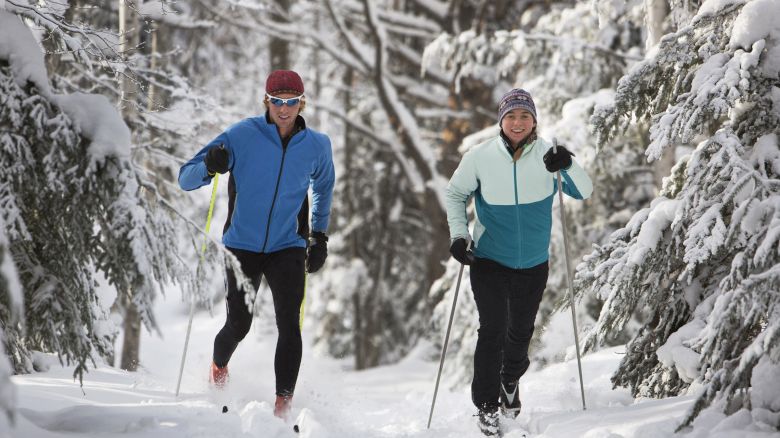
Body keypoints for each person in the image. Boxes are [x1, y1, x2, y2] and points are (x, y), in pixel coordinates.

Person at [178, 70, 335, 421]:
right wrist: (209, 164)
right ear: (266, 101)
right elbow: (185, 178)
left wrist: (319, 236)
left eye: (291, 101)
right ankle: (219, 367)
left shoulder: (316, 145)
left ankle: (283, 406)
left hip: (288, 245)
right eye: (277, 101)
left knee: (289, 324)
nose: (284, 108)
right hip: (242, 246)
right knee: (240, 324)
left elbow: (324, 188)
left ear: (301, 102)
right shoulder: (241, 135)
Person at [444, 88, 592, 435]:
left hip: (533, 263)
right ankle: (486, 408)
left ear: (534, 121)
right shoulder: (479, 157)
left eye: (525, 116)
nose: (517, 122)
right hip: (489, 260)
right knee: (492, 330)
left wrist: (568, 164)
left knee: (520, 333)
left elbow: (583, 191)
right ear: (501, 120)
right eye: (511, 116)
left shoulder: (547, 156)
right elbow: (455, 193)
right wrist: (458, 235)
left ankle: (510, 381)